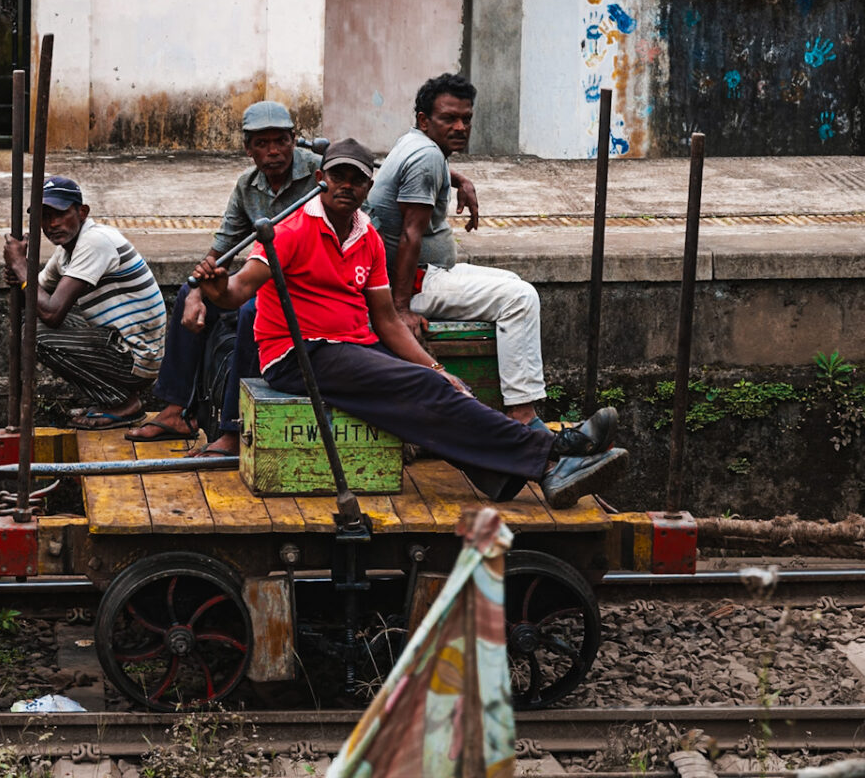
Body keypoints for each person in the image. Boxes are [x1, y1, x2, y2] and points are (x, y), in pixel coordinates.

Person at [197, 138, 624, 508]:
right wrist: (215, 288)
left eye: (357, 179)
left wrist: (436, 368)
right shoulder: (290, 230)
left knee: (442, 388)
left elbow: (387, 321)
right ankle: (554, 452)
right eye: (338, 176)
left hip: (352, 347)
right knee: (427, 390)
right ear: (320, 180)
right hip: (301, 353)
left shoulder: (368, 238)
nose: (347, 185)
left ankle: (504, 475)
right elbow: (236, 292)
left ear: (368, 187)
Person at [128, 100, 320, 451]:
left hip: (309, 287)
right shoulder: (247, 186)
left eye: (280, 141)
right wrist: (199, 290)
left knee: (252, 312)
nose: (273, 151)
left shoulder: (321, 174)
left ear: (294, 139)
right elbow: (222, 249)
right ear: (248, 149)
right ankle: (177, 411)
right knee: (190, 295)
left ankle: (233, 428)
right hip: (263, 280)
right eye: (262, 144)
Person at [367, 73, 549, 428]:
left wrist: (459, 178)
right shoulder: (425, 157)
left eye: (466, 118)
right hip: (415, 283)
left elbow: (423, 171)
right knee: (520, 297)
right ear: (424, 120)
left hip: (425, 274)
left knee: (510, 282)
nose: (460, 126)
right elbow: (409, 235)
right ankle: (522, 415)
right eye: (449, 118)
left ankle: (501, 397)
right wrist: (401, 309)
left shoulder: (416, 144)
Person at [1, 175, 167, 427]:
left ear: (82, 212)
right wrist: (21, 277)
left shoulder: (95, 241)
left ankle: (123, 403)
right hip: (122, 346)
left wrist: (21, 267)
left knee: (36, 335)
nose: (52, 224)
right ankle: (116, 398)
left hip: (138, 359)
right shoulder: (68, 251)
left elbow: (51, 313)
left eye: (60, 214)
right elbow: (37, 299)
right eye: (44, 217)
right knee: (34, 323)